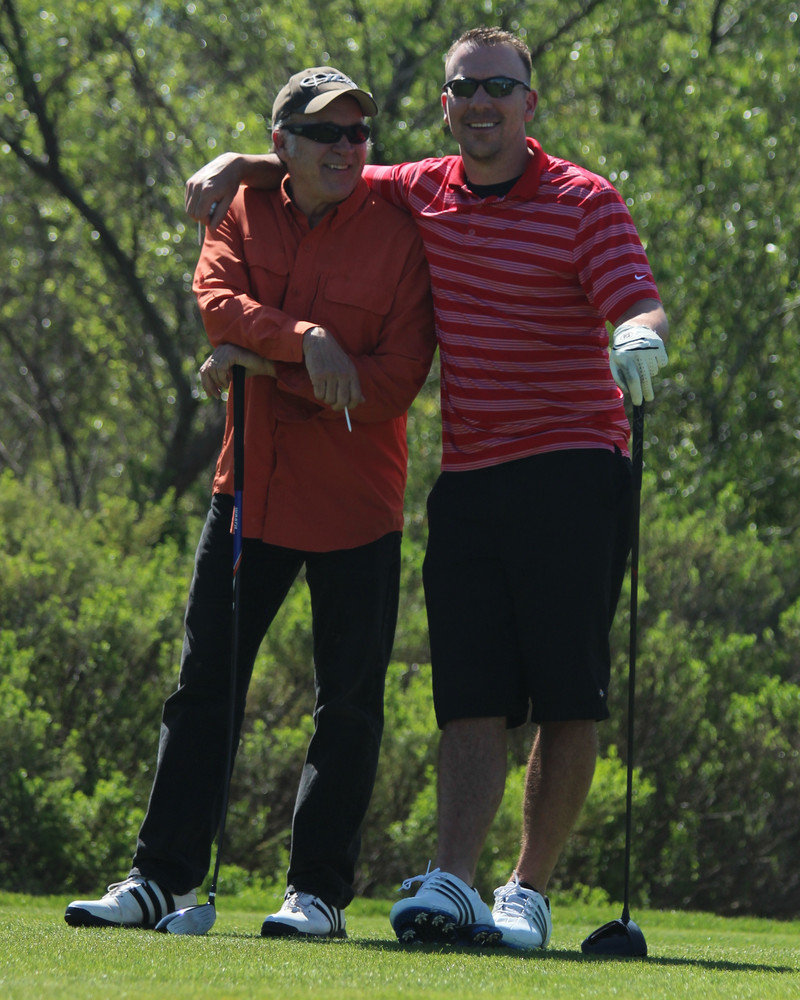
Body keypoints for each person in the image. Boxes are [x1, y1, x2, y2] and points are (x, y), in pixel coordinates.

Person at [183, 26, 669, 951]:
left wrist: (639, 333)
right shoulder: (422, 187)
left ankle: (527, 890)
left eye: (500, 86)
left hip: (574, 465)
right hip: (472, 477)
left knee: (566, 694)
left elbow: (634, 297)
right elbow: (323, 166)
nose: (482, 102)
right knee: (470, 694)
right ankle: (453, 879)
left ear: (529, 102)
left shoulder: (584, 199)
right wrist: (237, 163)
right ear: (446, 107)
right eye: (465, 88)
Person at [64, 66, 435, 939]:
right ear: (283, 144)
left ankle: (317, 895)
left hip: (357, 504)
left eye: (357, 133)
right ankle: (159, 880)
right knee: (204, 690)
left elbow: (391, 384)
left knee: (348, 706)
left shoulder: (399, 228)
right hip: (250, 496)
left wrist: (264, 365)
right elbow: (217, 307)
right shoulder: (239, 208)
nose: (346, 147)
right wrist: (307, 340)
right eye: (326, 133)